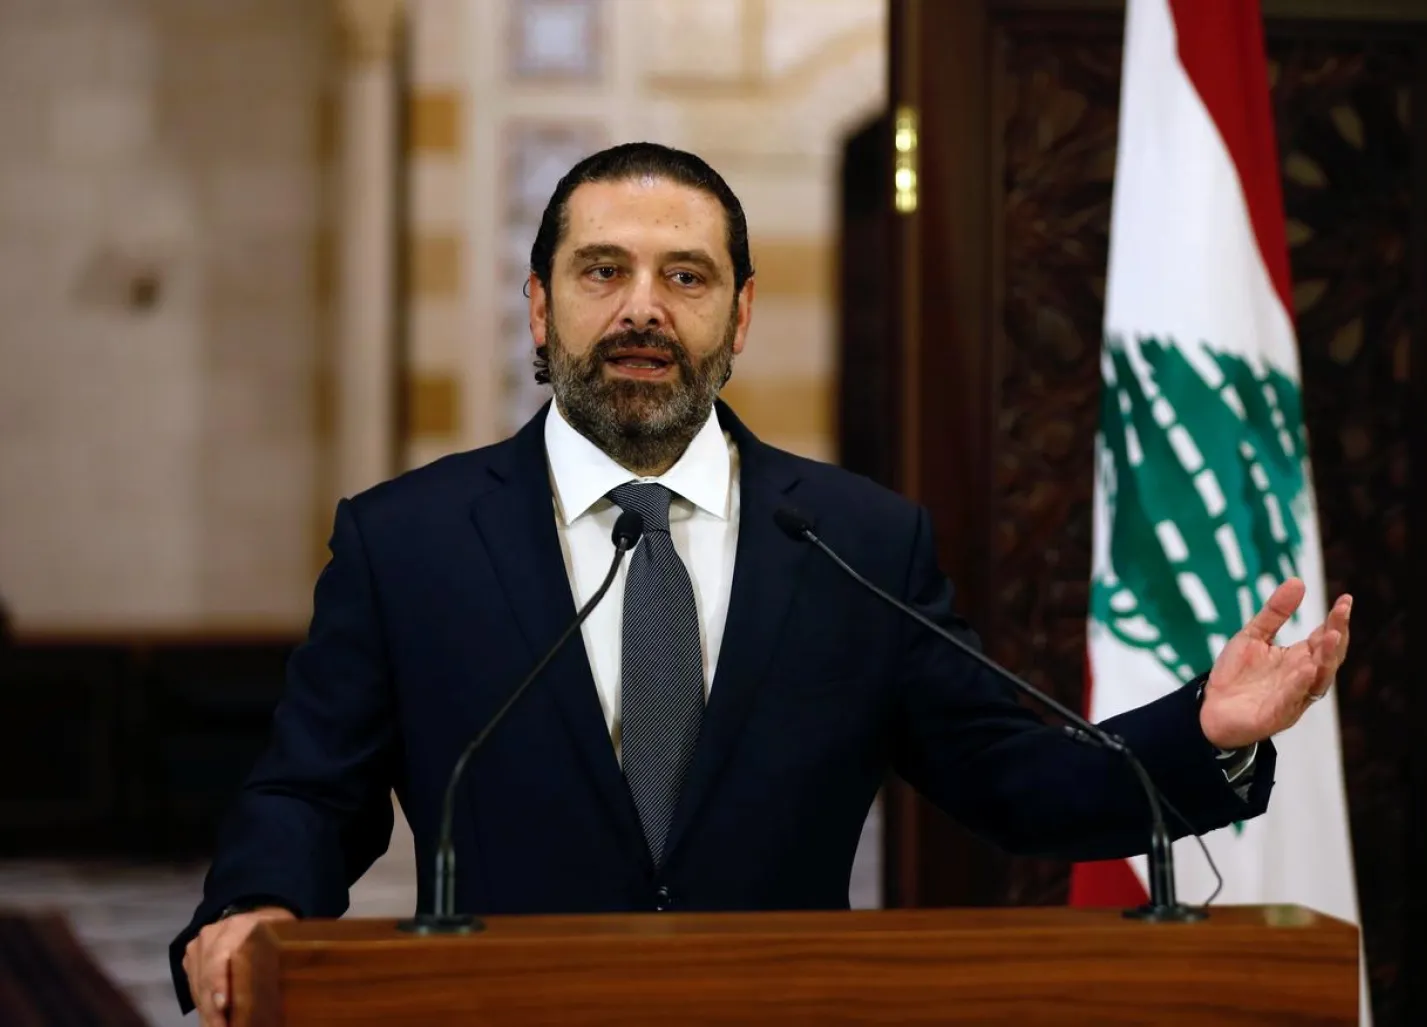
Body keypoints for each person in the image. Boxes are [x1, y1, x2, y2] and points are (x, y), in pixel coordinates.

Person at [172, 142, 1353, 1025]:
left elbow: (1008, 778)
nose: (642, 308)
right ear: (539, 307)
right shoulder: (408, 540)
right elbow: (312, 789)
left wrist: (1205, 732)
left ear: (739, 315)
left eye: (686, 276)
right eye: (602, 271)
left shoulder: (858, 539)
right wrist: (251, 909)